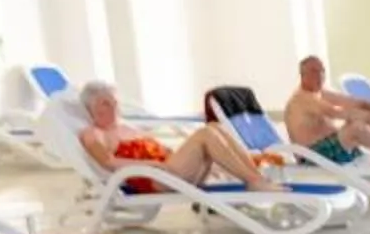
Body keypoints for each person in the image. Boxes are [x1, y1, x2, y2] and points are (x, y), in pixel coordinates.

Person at [72, 79, 261, 190]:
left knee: (215, 127)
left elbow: (162, 149)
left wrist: (214, 167)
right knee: (206, 133)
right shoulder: (93, 134)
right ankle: (253, 181)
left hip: (171, 170)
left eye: (114, 102)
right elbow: (108, 162)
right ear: (91, 108)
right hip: (156, 178)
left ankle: (257, 177)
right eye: (105, 103)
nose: (113, 107)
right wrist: (153, 164)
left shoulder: (125, 128)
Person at [282, 55, 370, 165]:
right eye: (314, 72)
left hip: (329, 150)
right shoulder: (302, 99)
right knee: (355, 128)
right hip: (312, 157)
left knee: (363, 124)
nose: (320, 76)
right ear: (302, 75)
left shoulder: (319, 92)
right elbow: (337, 113)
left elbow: (349, 102)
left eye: (322, 71)